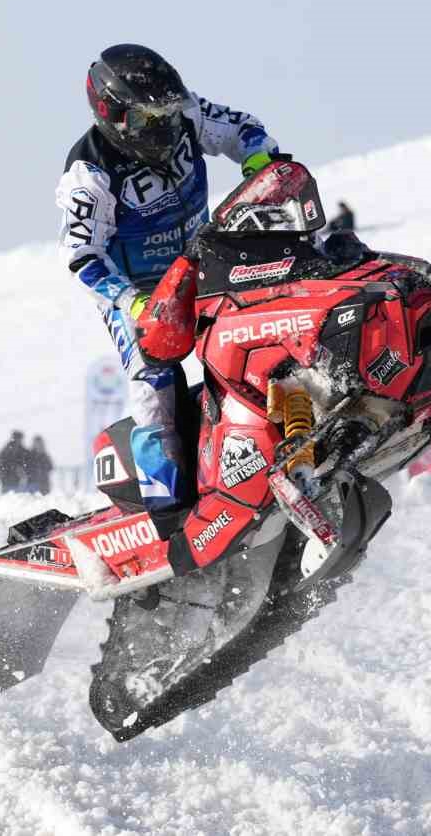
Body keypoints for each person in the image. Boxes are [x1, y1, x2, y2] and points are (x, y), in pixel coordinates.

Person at [57, 44, 278, 512]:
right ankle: (167, 513)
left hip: (206, 258)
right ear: (112, 114)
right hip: (140, 291)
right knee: (153, 378)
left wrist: (258, 164)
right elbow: (81, 257)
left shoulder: (185, 113)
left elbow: (243, 129)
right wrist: (131, 301)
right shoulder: (89, 172)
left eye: (166, 114)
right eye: (145, 119)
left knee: (266, 324)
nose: (161, 127)